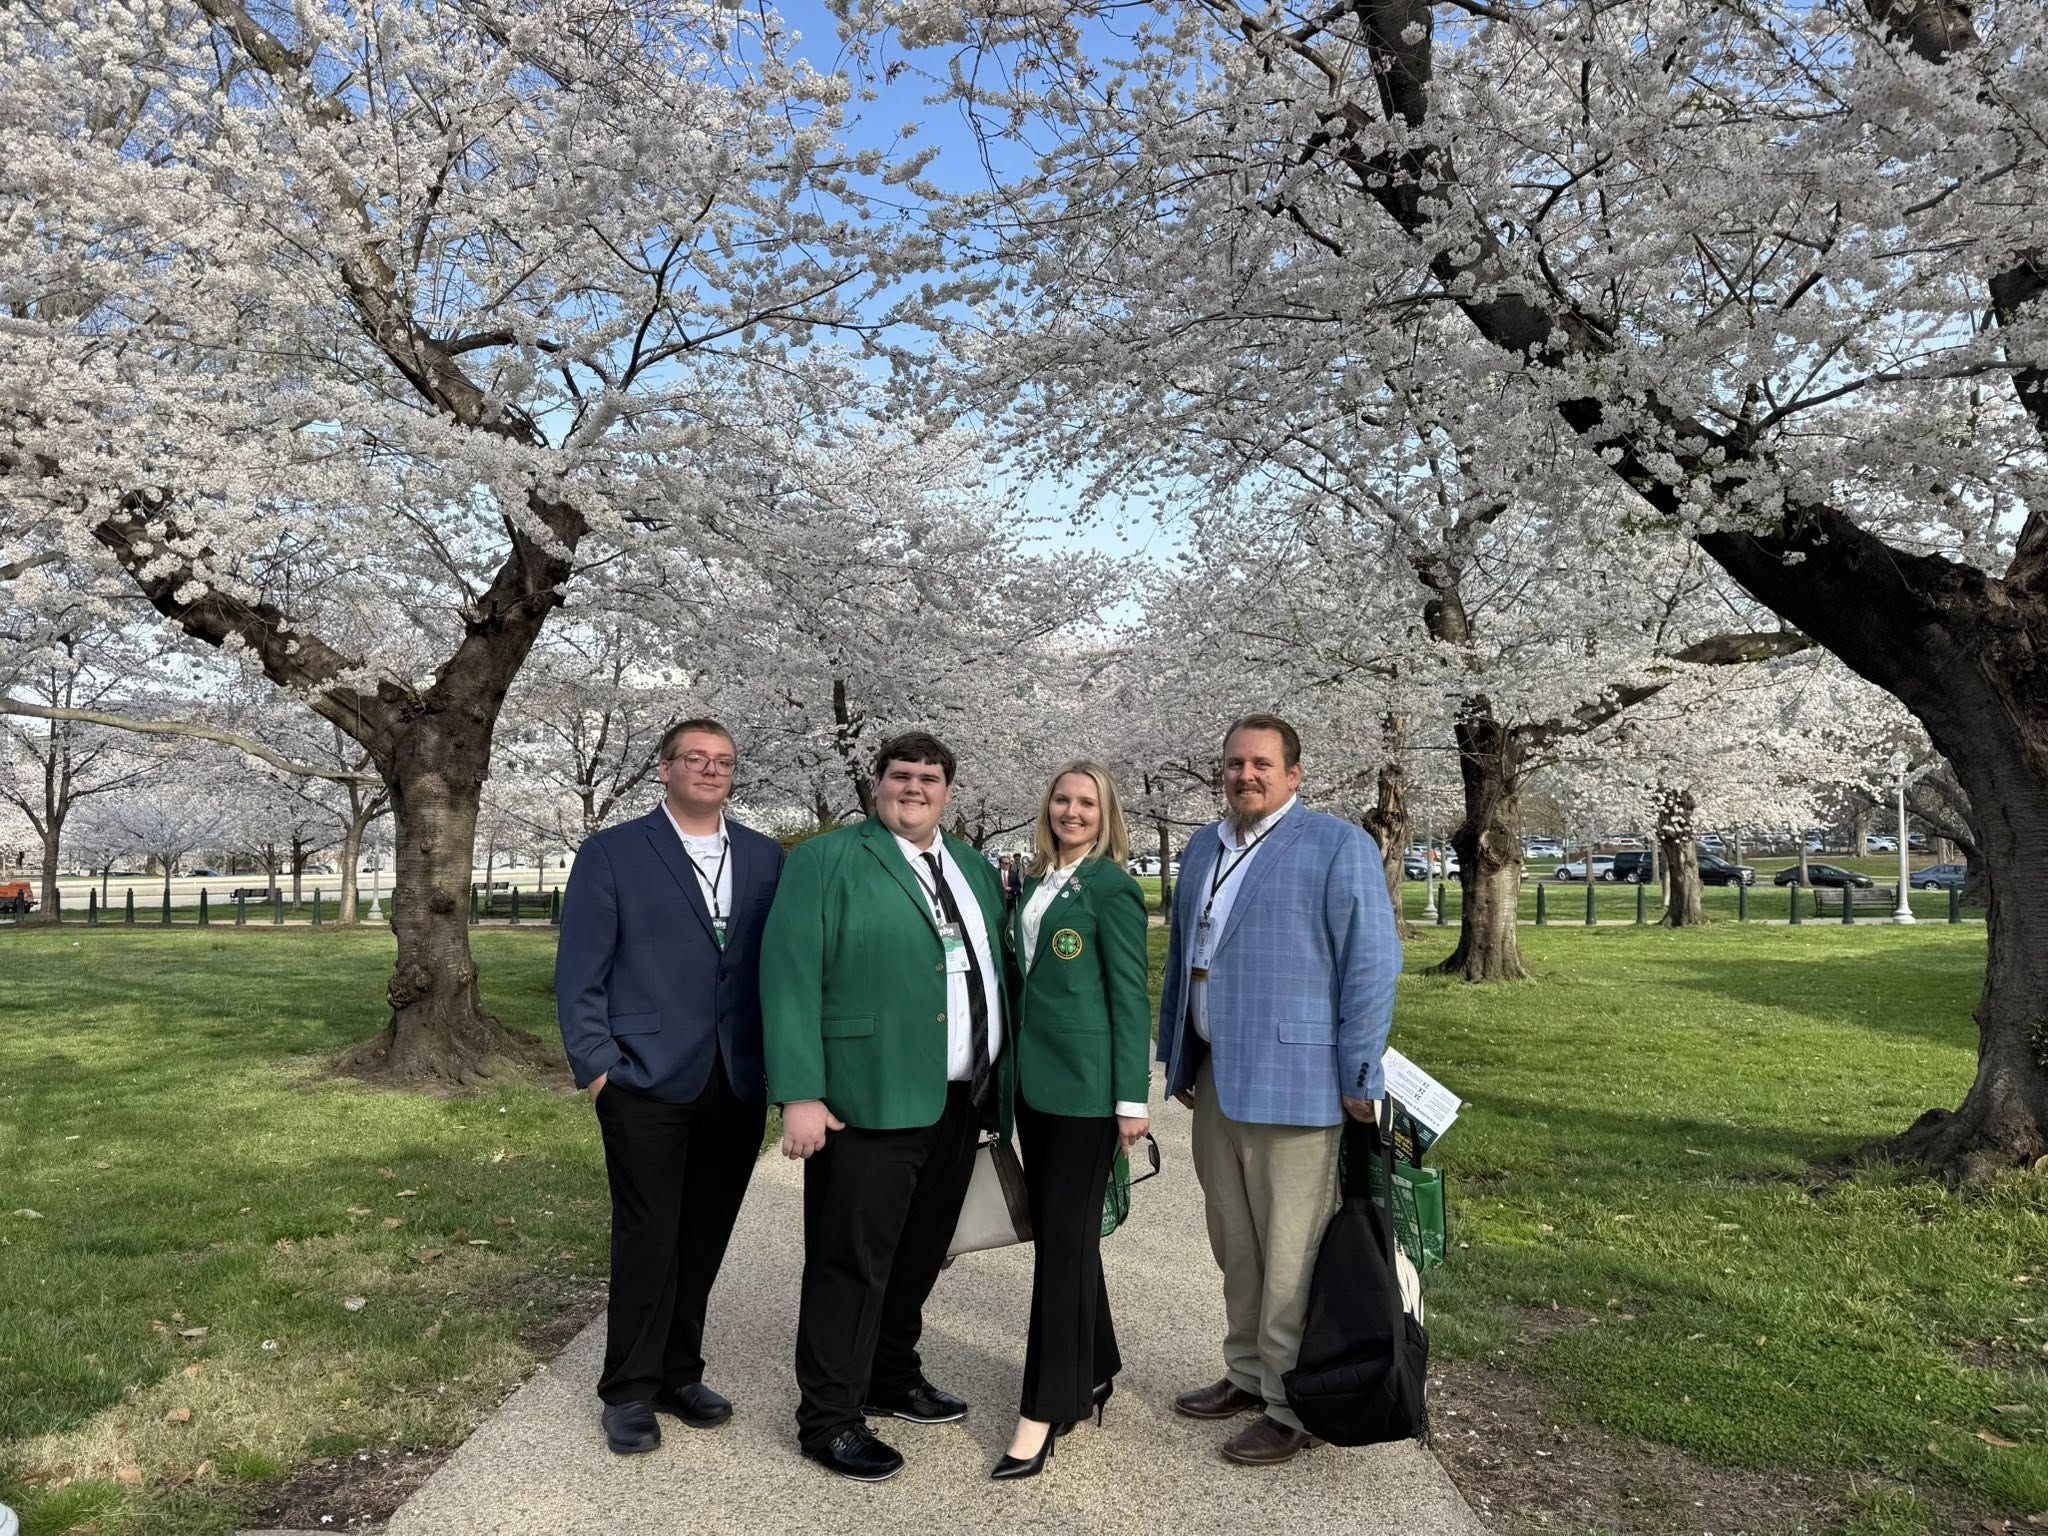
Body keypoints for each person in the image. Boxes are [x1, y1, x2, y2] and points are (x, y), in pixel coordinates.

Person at [762, 731, 1013, 1483]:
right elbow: (789, 981)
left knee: (922, 1250)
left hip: (957, 1099)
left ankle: (891, 1372)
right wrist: (800, 1092)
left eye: (930, 778)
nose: (915, 788)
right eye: (901, 775)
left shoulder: (971, 865)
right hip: (864, 1100)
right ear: (877, 785)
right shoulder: (825, 862)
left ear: (949, 791)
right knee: (851, 1260)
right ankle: (830, 1418)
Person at [1156, 713, 1401, 1467]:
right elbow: (1185, 957)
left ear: (1295, 774)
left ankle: (1291, 1403)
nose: (1245, 775)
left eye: (1262, 763)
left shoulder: (1335, 846)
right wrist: (1178, 1056)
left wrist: (1361, 1073)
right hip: (1217, 1074)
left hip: (1299, 1084)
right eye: (1233, 763)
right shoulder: (1204, 845)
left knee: (1291, 1252)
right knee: (1236, 1243)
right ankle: (1245, 1371)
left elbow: (1371, 963)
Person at [554, 719, 786, 1456]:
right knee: (648, 1233)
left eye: (724, 760)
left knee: (705, 1233)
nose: (711, 770)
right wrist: (596, 1066)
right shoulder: (614, 852)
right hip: (643, 1077)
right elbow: (580, 971)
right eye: (696, 758)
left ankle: (678, 1372)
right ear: (664, 769)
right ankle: (627, 1388)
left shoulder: (762, 857)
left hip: (737, 1077)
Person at [990, 761, 1152, 1482]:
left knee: (1060, 1248)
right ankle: (1096, 1363)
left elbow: (1128, 995)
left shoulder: (1112, 887)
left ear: (1106, 812)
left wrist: (1132, 1098)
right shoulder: (1036, 880)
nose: (1072, 811)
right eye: (1062, 798)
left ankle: (1045, 1407)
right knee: (1068, 1237)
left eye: (1087, 802)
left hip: (1087, 1095)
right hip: (1035, 1085)